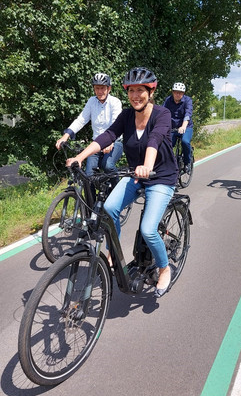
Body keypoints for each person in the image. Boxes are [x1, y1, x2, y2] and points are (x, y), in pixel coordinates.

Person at [66, 67, 178, 298]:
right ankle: (113, 253)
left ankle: (164, 267)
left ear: (151, 91)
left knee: (148, 230)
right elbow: (107, 135)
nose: (136, 96)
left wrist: (147, 165)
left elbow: (154, 139)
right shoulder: (127, 116)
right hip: (136, 174)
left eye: (141, 90)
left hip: (161, 177)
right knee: (108, 209)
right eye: (131, 91)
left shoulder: (162, 114)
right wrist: (80, 157)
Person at [56, 73, 123, 177]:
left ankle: (117, 190)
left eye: (102, 88)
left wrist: (111, 141)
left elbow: (116, 123)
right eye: (97, 88)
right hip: (96, 144)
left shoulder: (115, 102)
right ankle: (90, 194)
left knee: (108, 166)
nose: (100, 91)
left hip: (114, 143)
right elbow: (81, 119)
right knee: (88, 175)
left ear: (109, 88)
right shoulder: (91, 101)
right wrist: (66, 135)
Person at [163, 82, 193, 172]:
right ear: (173, 92)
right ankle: (168, 164)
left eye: (180, 92)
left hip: (186, 126)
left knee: (185, 142)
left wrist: (183, 126)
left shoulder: (187, 100)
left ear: (183, 93)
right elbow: (163, 112)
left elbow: (188, 114)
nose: (178, 94)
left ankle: (187, 162)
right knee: (166, 145)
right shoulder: (168, 100)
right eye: (176, 92)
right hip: (172, 127)